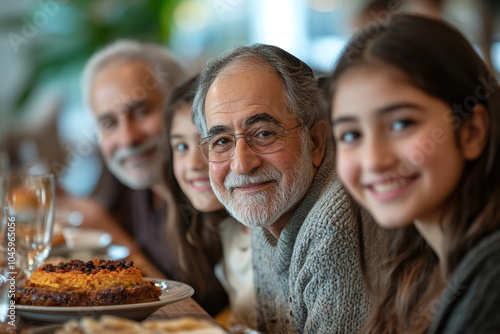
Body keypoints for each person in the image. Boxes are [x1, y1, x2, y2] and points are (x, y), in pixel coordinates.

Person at [328, 14, 500, 333]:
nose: (374, 160)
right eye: (351, 135)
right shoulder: (420, 263)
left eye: (401, 124)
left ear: (472, 131)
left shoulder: (491, 278)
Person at [192, 44, 371, 334]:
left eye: (264, 134)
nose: (241, 164)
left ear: (314, 142)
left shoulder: (334, 228)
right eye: (222, 141)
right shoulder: (275, 205)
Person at [80, 40, 190, 283]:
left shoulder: (206, 193)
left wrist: (110, 232)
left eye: (142, 112)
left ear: (182, 107)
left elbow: (198, 310)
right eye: (109, 123)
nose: (128, 138)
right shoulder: (133, 177)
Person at [164, 76, 256, 327]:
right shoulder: (223, 228)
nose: (194, 164)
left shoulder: (265, 230)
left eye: (217, 142)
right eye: (181, 146)